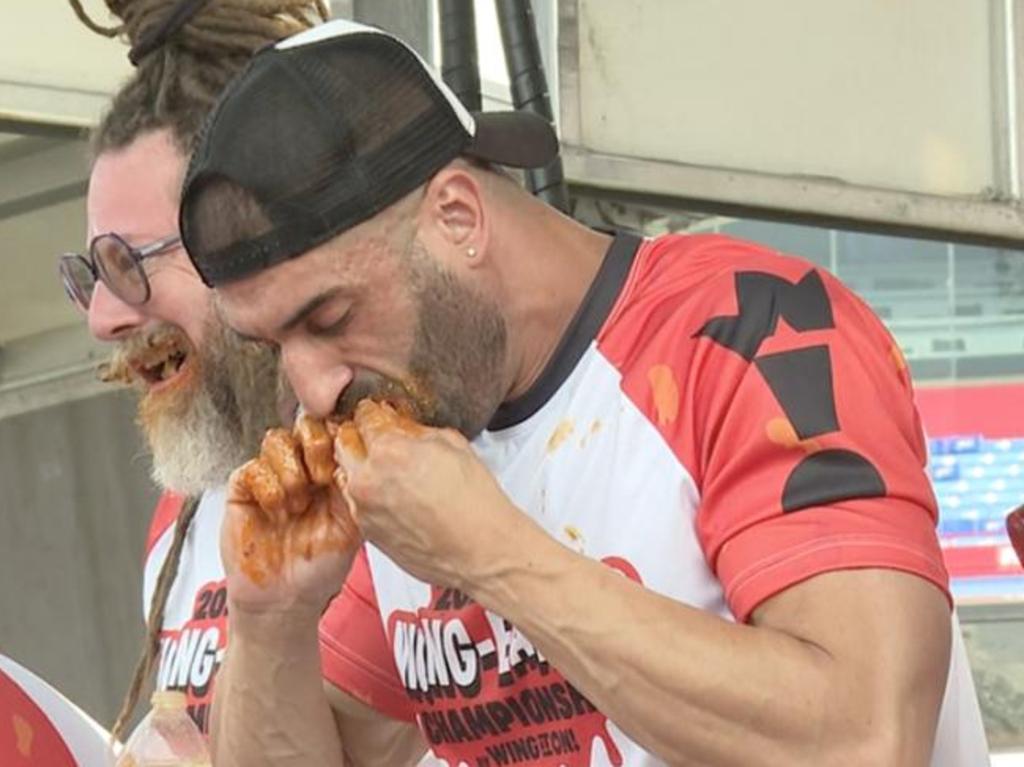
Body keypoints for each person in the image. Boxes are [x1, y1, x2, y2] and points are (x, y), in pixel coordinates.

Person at [177, 19, 990, 767]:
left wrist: (493, 556)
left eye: (330, 316)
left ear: (458, 216)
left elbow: (866, 739)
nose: (312, 390)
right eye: (273, 347)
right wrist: (269, 619)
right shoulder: (417, 441)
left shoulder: (751, 332)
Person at [59, 0, 330, 741]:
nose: (102, 319)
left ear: (260, 239)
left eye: (130, 263)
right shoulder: (184, 512)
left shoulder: (403, 471)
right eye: (91, 272)